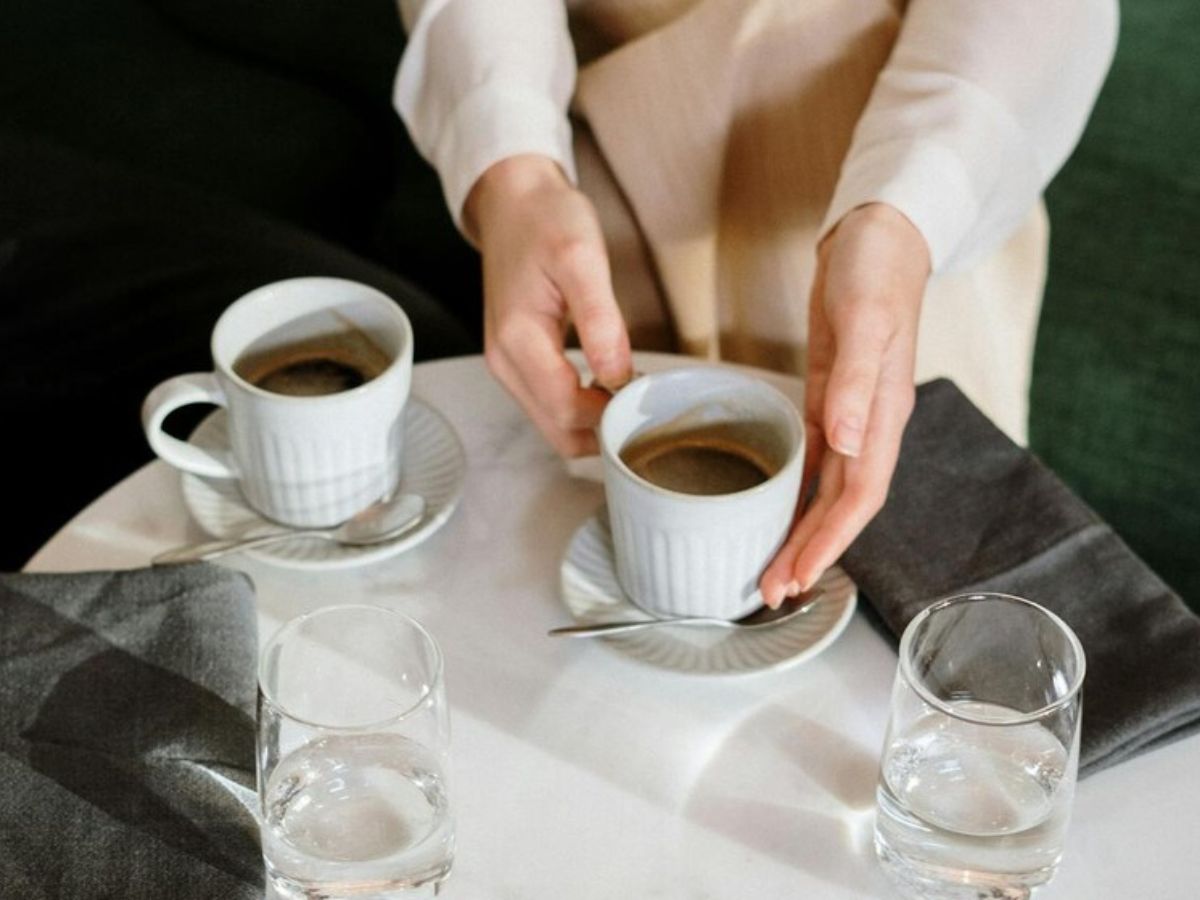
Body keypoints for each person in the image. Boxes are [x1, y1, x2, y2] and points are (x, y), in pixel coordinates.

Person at [393, 0, 1118, 606]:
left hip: (900, 160)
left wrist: (911, 207)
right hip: (598, 151)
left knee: (930, 571)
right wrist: (513, 168)